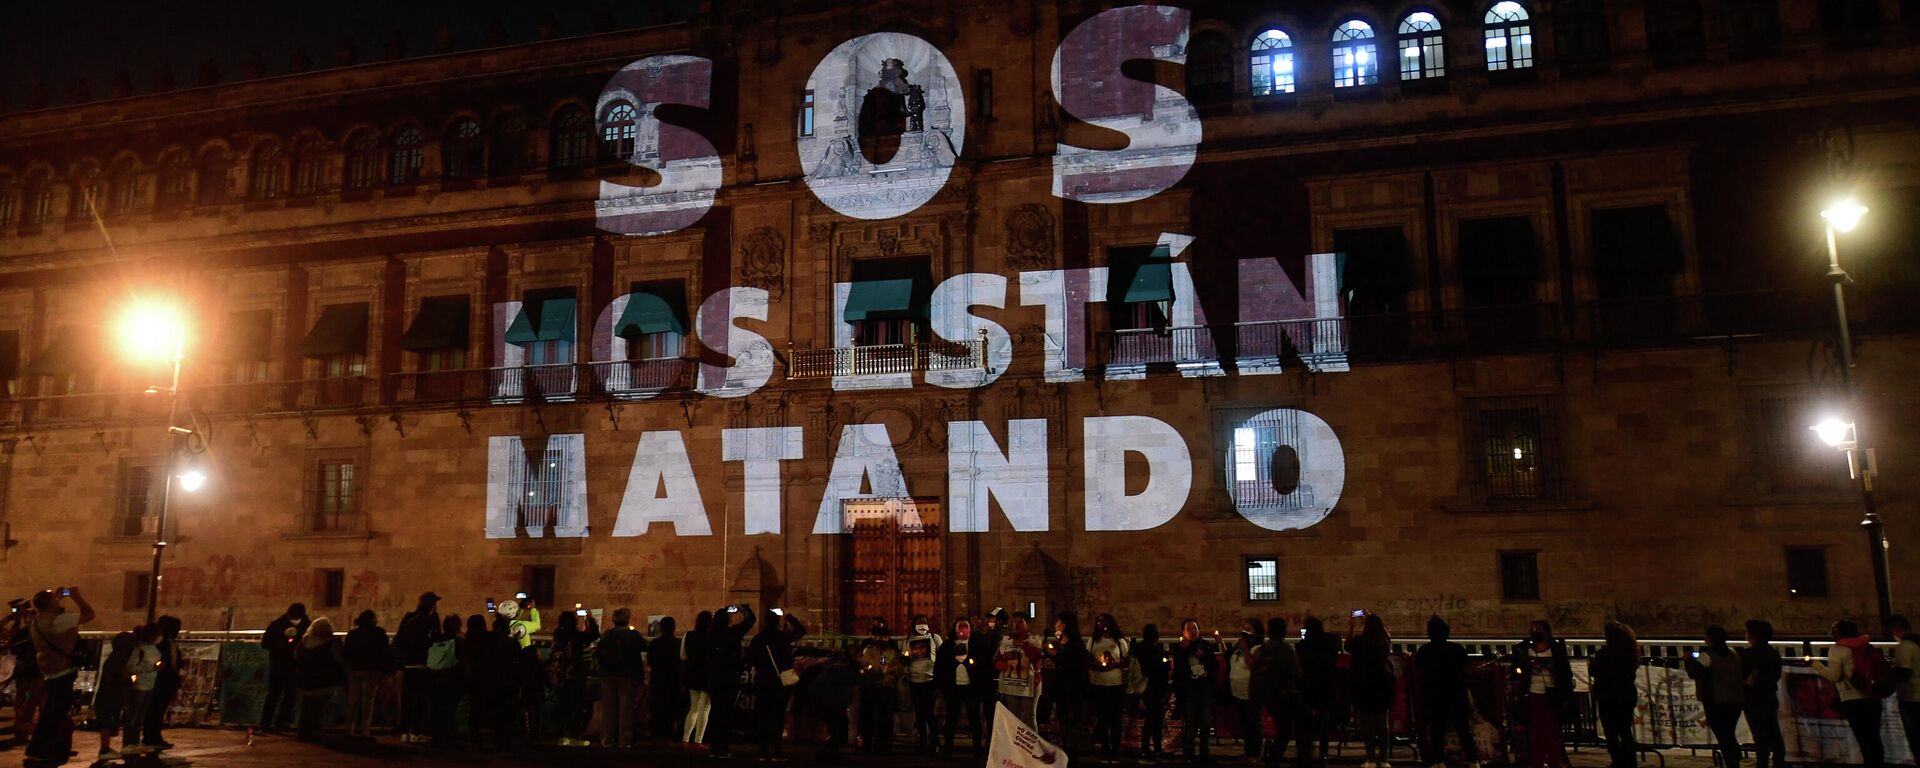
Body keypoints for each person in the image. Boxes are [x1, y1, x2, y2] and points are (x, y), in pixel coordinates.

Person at [24, 587, 94, 764]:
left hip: (49, 669)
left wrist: (54, 597)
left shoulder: (37, 620)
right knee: (54, 713)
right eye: (54, 600)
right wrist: (77, 597)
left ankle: (49, 747)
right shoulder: (58, 621)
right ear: (49, 604)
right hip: (62, 670)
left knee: (52, 711)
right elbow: (89, 614)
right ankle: (39, 749)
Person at [1813, 619, 1886, 768]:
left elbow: (1834, 676)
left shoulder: (1838, 649)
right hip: (1872, 697)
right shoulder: (1866, 646)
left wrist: (1815, 664)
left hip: (1853, 699)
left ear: (1837, 633)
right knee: (1874, 738)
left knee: (1863, 739)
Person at [1417, 616, 1478, 768]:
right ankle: (1472, 760)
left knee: (1437, 730)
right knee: (1463, 728)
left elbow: (1419, 670)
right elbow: (1467, 669)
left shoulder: (1425, 650)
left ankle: (1438, 761)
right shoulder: (1457, 649)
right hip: (1457, 693)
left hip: (1435, 695)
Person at [748, 608, 807, 760]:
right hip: (780, 681)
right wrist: (788, 616)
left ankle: (763, 750)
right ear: (777, 622)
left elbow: (750, 659)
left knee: (763, 716)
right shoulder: (783, 637)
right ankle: (776, 750)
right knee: (777, 717)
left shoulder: (758, 639)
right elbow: (801, 630)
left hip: (763, 680)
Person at [1512, 620, 1572, 768]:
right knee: (1536, 729)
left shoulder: (1556, 650)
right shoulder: (1525, 650)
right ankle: (1537, 760)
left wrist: (1565, 695)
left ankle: (1554, 760)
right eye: (1532, 629)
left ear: (1547, 633)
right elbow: (1518, 670)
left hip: (1552, 693)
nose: (1534, 632)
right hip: (1533, 692)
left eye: (1538, 630)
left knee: (1553, 729)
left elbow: (1565, 674)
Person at [1685, 625, 1744, 768]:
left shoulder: (1707, 655)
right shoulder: (1733, 653)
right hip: (1735, 698)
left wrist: (1688, 660)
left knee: (1722, 732)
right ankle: (1734, 756)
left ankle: (1732, 759)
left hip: (1716, 700)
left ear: (1709, 639)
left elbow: (1694, 672)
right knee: (1729, 730)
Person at [1588, 621, 1640, 768]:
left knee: (1611, 732)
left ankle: (1617, 760)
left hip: (1608, 696)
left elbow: (1594, 671)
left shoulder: (1603, 654)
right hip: (1626, 695)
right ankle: (1630, 761)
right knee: (1625, 731)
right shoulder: (1630, 653)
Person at [708, 603, 756, 757]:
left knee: (715, 712)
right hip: (730, 677)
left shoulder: (711, 635)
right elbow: (751, 620)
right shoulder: (733, 632)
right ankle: (723, 746)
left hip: (714, 677)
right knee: (726, 712)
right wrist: (743, 609)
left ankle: (714, 747)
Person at [394, 592, 442, 743]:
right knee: (421, 700)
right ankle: (417, 731)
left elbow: (398, 639)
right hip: (424, 664)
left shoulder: (408, 618)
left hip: (408, 664)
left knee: (407, 699)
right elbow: (436, 640)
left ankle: (404, 731)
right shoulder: (432, 619)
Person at [1348, 614, 1395, 768]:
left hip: (1363, 687)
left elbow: (1348, 646)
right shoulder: (1383, 642)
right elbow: (1388, 637)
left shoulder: (1359, 642)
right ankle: (1384, 759)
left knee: (1367, 726)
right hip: (1382, 686)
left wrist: (1351, 627)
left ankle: (1370, 758)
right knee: (1382, 725)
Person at [1255, 618, 1302, 768]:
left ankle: (1272, 755)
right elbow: (1296, 673)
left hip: (1267, 694)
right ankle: (1274, 756)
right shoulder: (1285, 649)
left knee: (1281, 726)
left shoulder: (1263, 648)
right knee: (1287, 728)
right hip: (1283, 694)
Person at [598, 607, 648, 748]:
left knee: (608, 709)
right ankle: (624, 741)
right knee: (625, 709)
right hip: (627, 675)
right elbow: (644, 647)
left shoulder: (606, 635)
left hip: (607, 675)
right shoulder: (633, 635)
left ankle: (607, 739)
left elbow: (599, 652)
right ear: (627, 619)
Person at [935, 617, 985, 756]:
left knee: (974, 718)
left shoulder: (976, 645)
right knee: (951, 718)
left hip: (971, 688)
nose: (963, 629)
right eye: (960, 626)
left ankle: (977, 747)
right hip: (953, 689)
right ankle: (948, 747)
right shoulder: (947, 646)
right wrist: (940, 685)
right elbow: (940, 666)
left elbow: (983, 665)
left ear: (970, 629)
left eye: (965, 626)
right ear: (955, 629)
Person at [294, 616, 348, 742]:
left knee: (306, 706)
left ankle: (303, 731)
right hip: (324, 679)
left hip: (305, 678)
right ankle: (316, 731)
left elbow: (296, 656)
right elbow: (339, 659)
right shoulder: (332, 642)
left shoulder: (304, 640)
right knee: (320, 706)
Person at [549, 610, 598, 746]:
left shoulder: (557, 634)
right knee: (577, 706)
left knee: (564, 706)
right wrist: (590, 619)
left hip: (560, 675)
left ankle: (563, 735)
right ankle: (574, 736)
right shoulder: (575, 635)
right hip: (574, 674)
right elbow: (593, 635)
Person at [1173, 618, 1218, 763]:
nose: (1193, 631)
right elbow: (1178, 670)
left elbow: (1214, 665)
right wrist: (1184, 652)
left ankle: (1204, 753)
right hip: (1189, 689)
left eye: (1195, 628)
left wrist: (1203, 656)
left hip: (1204, 687)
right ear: (1183, 632)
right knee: (1190, 722)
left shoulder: (1205, 645)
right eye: (1189, 628)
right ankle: (1188, 754)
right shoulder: (1179, 648)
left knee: (1205, 723)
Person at [1740, 620, 1785, 768]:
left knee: (1759, 736)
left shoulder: (1747, 654)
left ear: (1753, 635)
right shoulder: (1773, 653)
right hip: (1769, 696)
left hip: (1752, 698)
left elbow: (1741, 676)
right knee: (1773, 731)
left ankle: (1762, 763)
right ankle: (1778, 761)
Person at [1297, 616, 1341, 766]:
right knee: (1324, 722)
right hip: (1326, 686)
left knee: (1307, 722)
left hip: (1308, 687)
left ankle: (1306, 753)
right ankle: (1324, 754)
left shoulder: (1303, 646)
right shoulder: (1330, 640)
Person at [135, 614, 183, 751]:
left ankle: (154, 736)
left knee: (158, 711)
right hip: (158, 682)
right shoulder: (158, 646)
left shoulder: (170, 644)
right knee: (153, 711)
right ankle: (150, 737)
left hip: (168, 682)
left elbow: (177, 662)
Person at [261, 602, 310, 733]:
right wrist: (278, 645)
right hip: (279, 664)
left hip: (295, 666)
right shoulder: (277, 625)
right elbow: (265, 643)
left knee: (290, 695)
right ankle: (266, 723)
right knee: (273, 695)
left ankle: (282, 722)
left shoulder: (307, 626)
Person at [343, 609, 392, 741]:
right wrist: (385, 671)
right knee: (367, 701)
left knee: (353, 700)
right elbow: (384, 652)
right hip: (371, 670)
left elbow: (346, 652)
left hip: (354, 670)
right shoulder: (378, 633)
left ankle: (349, 728)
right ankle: (365, 729)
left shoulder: (352, 634)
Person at [1088, 613, 1130, 762]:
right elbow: (1088, 660)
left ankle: (1115, 750)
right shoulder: (1093, 641)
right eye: (1099, 621)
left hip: (1115, 685)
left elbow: (1126, 661)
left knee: (1115, 720)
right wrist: (1097, 666)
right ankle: (1105, 749)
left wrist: (1114, 664)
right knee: (1102, 719)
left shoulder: (1119, 641)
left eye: (1104, 621)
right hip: (1098, 684)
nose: (1102, 624)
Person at [858, 619, 904, 755]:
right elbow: (864, 665)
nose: (881, 640)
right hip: (872, 689)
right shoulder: (870, 650)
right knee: (871, 717)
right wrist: (873, 673)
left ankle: (884, 746)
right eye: (878, 637)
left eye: (884, 637)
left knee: (886, 719)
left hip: (887, 690)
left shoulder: (893, 652)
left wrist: (889, 674)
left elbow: (898, 669)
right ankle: (867, 745)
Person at [5, 601, 46, 750]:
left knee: (38, 701)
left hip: (36, 669)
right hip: (27, 669)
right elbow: (9, 636)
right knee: (23, 700)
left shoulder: (38, 631)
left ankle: (34, 730)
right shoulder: (24, 632)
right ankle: (23, 729)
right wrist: (14, 619)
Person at [1047, 612, 1090, 753]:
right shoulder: (1062, 643)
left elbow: (1072, 665)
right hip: (1061, 690)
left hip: (1072, 690)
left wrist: (1055, 655)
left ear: (1064, 625)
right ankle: (1067, 749)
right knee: (1063, 722)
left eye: (1058, 622)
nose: (1055, 625)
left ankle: (1073, 753)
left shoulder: (1074, 644)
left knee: (1072, 723)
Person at [92, 629, 135, 762]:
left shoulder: (115, 658)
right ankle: (104, 749)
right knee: (107, 722)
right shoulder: (117, 660)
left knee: (108, 722)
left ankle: (106, 748)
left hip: (110, 697)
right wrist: (130, 679)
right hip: (110, 697)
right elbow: (117, 678)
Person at [1225, 618, 1264, 766]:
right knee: (1245, 724)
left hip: (1250, 690)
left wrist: (1245, 648)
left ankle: (1255, 754)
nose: (1245, 630)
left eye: (1249, 628)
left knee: (1253, 723)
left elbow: (1252, 664)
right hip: (1237, 689)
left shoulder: (1258, 646)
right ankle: (1248, 752)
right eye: (1244, 627)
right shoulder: (1238, 644)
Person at [995, 612, 1043, 729]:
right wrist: (1004, 660)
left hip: (1029, 686)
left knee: (1029, 718)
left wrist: (1022, 645)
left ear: (1028, 624)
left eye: (1020, 621)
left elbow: (1037, 659)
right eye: (1014, 621)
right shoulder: (1005, 642)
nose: (1017, 624)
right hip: (1010, 686)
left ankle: (1030, 746)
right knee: (1012, 719)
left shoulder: (1034, 641)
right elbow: (996, 662)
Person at [902, 615, 942, 754]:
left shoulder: (934, 638)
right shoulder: (909, 640)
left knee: (930, 713)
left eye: (924, 623)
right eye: (919, 623)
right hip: (915, 681)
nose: (922, 625)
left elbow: (942, 656)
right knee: (919, 714)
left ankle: (935, 741)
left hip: (930, 681)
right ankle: (922, 742)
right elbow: (905, 658)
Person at [123, 624, 164, 755]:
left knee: (141, 716)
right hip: (139, 685)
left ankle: (136, 742)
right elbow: (131, 667)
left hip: (150, 684)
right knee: (133, 715)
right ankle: (129, 743)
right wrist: (151, 668)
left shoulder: (154, 649)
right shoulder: (139, 649)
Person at [1136, 623, 1172, 760]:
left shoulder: (1138, 649)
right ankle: (1153, 748)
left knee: (1150, 721)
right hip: (1154, 689)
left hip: (1145, 689)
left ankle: (1149, 748)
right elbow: (1158, 670)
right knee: (1154, 721)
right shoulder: (1155, 651)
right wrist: (1166, 667)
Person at [647, 615, 683, 743]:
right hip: (673, 679)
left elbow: (650, 660)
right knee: (672, 708)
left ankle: (657, 733)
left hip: (658, 679)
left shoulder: (655, 643)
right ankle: (669, 732)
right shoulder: (678, 643)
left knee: (657, 707)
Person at [430, 614, 465, 743]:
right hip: (453, 677)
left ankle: (437, 734)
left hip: (436, 675)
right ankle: (450, 734)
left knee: (437, 706)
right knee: (452, 707)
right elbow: (462, 659)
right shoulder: (458, 640)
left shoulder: (437, 638)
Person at [683, 610, 714, 745]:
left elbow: (683, 656)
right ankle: (698, 740)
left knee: (693, 707)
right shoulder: (712, 636)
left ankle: (685, 738)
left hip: (693, 673)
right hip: (707, 674)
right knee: (705, 708)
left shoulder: (688, 635)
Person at [1893, 615, 1920, 764]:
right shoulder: (1917, 643)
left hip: (1912, 697)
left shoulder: (1905, 647)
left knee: (1915, 737)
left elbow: (1904, 672)